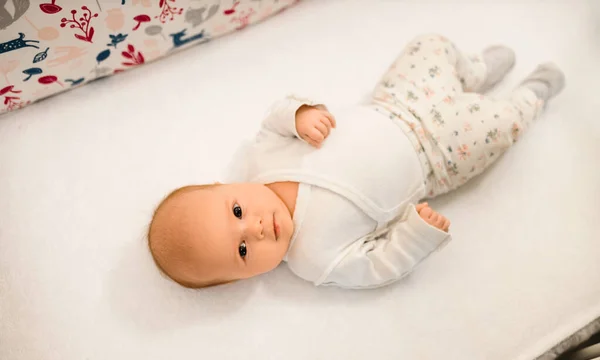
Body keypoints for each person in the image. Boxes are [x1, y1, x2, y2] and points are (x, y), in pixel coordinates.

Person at [147, 33, 565, 289]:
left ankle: (471, 72)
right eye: (241, 251)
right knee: (499, 125)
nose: (255, 229)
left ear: (227, 187)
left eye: (236, 211)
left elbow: (274, 119)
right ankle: (530, 97)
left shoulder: (262, 158)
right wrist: (416, 236)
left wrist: (299, 115)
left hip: (395, 100)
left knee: (428, 44)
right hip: (439, 156)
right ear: (246, 278)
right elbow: (378, 265)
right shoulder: (316, 259)